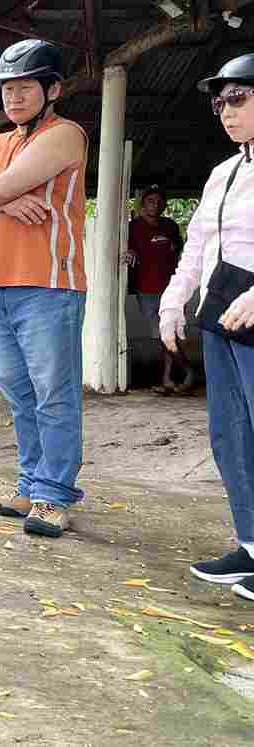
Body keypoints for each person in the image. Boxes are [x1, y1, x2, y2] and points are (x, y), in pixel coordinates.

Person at [0, 39, 89, 539]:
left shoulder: (65, 134)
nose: (14, 96)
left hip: (49, 283)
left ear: (52, 89)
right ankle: (30, 485)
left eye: (25, 86)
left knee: (55, 393)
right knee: (18, 391)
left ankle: (54, 496)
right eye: (7, 88)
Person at [161, 52, 254, 603]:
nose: (226, 111)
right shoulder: (224, 172)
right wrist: (173, 302)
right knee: (231, 434)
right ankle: (251, 543)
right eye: (220, 102)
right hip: (221, 314)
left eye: (238, 98)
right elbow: (198, 244)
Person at [124, 185, 193, 393]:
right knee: (162, 332)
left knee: (167, 331)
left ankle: (169, 378)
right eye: (151, 201)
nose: (156, 205)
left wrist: (175, 249)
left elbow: (182, 249)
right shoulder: (132, 227)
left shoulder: (170, 226)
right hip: (146, 288)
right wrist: (129, 253)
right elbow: (123, 250)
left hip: (171, 287)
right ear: (143, 204)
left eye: (159, 201)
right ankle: (187, 372)